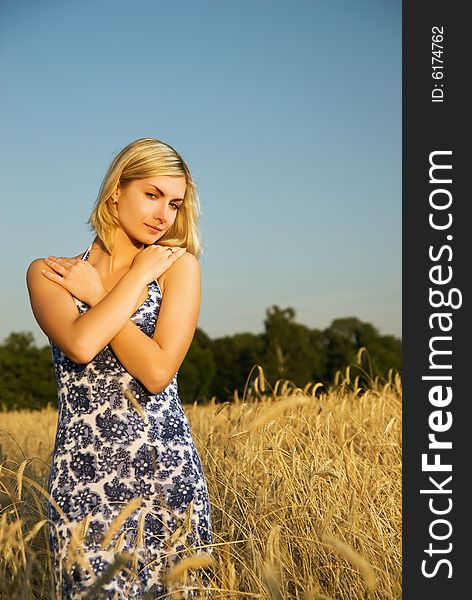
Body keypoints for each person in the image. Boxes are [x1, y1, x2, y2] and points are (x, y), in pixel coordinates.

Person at [26, 138, 214, 598]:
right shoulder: (50, 273)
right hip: (81, 483)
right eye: (152, 195)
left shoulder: (176, 267)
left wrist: (99, 296)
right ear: (116, 191)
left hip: (165, 476)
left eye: (174, 203)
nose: (163, 214)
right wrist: (128, 283)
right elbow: (81, 343)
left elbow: (156, 371)